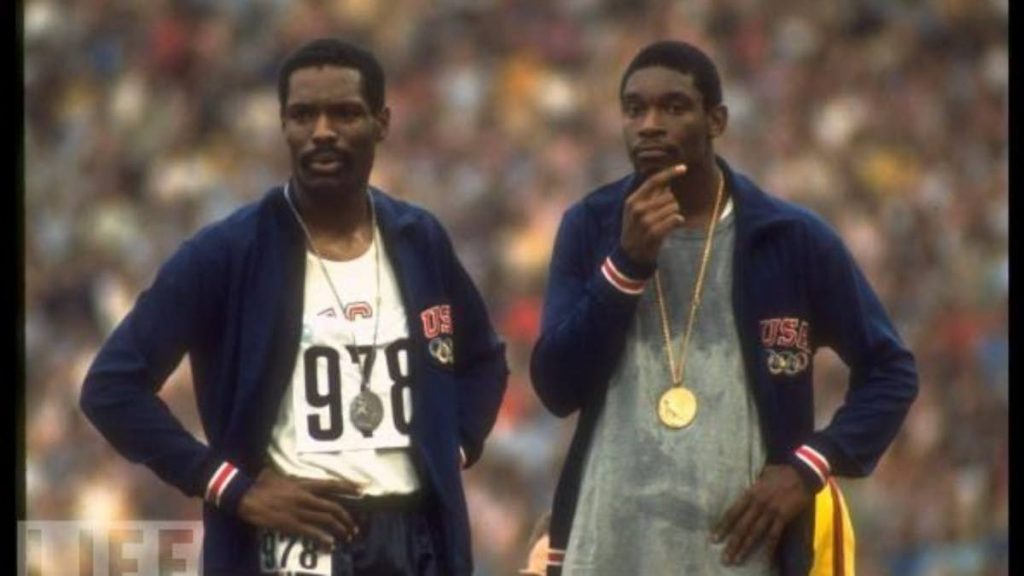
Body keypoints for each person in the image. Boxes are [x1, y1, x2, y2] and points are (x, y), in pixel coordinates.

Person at [80, 38, 508, 575]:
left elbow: (484, 358)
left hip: (415, 538)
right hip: (290, 541)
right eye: (304, 114)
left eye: (345, 113)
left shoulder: (419, 239)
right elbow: (111, 387)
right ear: (283, 125)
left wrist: (457, 448)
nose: (322, 131)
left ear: (382, 122)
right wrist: (230, 485)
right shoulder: (228, 252)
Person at [529, 40, 917, 576]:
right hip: (607, 551)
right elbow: (555, 386)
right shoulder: (592, 226)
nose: (650, 125)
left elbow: (890, 370)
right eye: (635, 109)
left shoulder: (790, 238)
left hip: (740, 557)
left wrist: (809, 466)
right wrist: (627, 265)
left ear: (717, 120)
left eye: (674, 107)